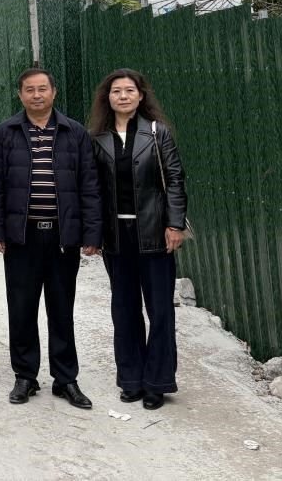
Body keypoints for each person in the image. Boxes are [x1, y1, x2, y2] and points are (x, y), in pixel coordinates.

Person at [0, 67, 102, 409]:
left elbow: (89, 185)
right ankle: (25, 376)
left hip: (63, 237)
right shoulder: (6, 132)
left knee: (61, 309)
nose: (36, 95)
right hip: (22, 236)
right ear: (20, 95)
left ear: (54, 92)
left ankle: (66, 379)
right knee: (22, 308)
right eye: (29, 90)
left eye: (42, 89)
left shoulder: (74, 132)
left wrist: (91, 232)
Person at [88, 68, 188, 411]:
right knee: (124, 308)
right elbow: (92, 190)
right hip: (116, 236)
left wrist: (174, 225)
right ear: (108, 98)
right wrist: (93, 234)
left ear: (140, 95)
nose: (123, 96)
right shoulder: (97, 138)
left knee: (160, 310)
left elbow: (175, 179)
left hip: (154, 233)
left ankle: (157, 382)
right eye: (116, 91)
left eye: (129, 90)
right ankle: (131, 380)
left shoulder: (158, 133)